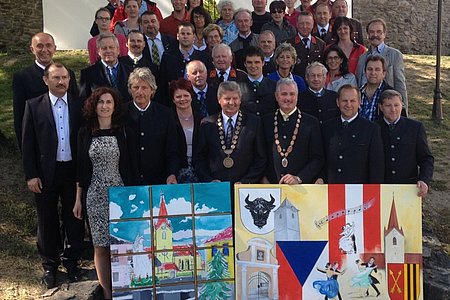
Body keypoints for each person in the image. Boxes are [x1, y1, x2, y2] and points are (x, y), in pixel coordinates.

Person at [22, 63, 84, 289]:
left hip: (72, 171)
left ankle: (72, 261)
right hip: (46, 173)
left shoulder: (79, 105)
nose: (61, 82)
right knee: (47, 219)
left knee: (74, 218)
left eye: (65, 77)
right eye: (56, 78)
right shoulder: (34, 106)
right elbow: (27, 143)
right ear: (45, 80)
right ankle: (50, 264)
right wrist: (31, 175)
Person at [73, 87, 137, 299]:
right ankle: (108, 292)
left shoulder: (123, 131)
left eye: (109, 102)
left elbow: (131, 165)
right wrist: (78, 200)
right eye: (101, 102)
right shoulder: (85, 132)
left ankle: (124, 291)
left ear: (115, 106)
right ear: (94, 105)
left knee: (121, 245)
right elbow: (81, 169)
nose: (105, 106)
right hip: (95, 195)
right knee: (100, 245)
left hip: (120, 195)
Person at [13, 32, 78, 148]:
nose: (44, 50)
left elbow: (76, 107)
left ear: (55, 48)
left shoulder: (68, 73)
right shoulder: (22, 77)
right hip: (39, 142)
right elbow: (19, 116)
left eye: (48, 45)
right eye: (39, 46)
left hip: (68, 143)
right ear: (32, 49)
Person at [195, 81, 267, 186]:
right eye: (227, 99)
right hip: (216, 187)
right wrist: (209, 180)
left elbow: (261, 158)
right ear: (219, 100)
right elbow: (199, 158)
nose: (231, 102)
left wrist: (246, 181)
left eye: (235, 98)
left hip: (244, 188)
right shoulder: (207, 123)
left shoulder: (254, 122)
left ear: (240, 99)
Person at [124, 67, 180, 185]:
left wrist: (172, 174)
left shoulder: (165, 114)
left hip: (158, 181)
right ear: (130, 90)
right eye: (135, 87)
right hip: (128, 182)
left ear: (152, 90)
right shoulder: (121, 113)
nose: (140, 92)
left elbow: (172, 149)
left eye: (144, 88)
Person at [262, 78, 323, 184]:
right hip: (271, 186)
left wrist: (299, 178)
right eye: (284, 94)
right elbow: (260, 155)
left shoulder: (311, 122)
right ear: (276, 96)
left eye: (292, 94)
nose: (288, 98)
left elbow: (317, 158)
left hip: (301, 188)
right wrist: (263, 178)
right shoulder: (265, 121)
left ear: (297, 96)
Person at [319, 84, 384, 184]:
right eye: (344, 101)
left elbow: (376, 166)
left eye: (352, 101)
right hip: (331, 189)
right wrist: (321, 177)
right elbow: (321, 158)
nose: (348, 104)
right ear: (337, 102)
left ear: (359, 102)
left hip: (359, 191)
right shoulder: (327, 127)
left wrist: (373, 192)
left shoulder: (371, 129)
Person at [377, 89, 434, 197]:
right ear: (381, 107)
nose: (393, 109)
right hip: (382, 188)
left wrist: (424, 180)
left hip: (409, 188)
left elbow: (426, 158)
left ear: (402, 105)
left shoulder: (415, 128)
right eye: (388, 105)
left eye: (396, 105)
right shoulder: (374, 128)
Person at [356, 18, 408, 115]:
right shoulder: (362, 58)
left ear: (384, 34)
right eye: (371, 32)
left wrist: (403, 110)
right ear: (367, 35)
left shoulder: (394, 55)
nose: (375, 35)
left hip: (386, 107)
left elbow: (400, 84)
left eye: (379, 32)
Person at [158, 22, 213, 106]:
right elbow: (162, 83)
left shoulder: (204, 57)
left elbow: (209, 81)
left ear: (193, 36)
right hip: (173, 104)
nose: (185, 36)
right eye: (182, 33)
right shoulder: (168, 57)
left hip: (199, 103)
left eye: (188, 34)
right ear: (177, 36)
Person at [80, 33, 133, 102]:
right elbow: (83, 100)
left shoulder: (131, 71)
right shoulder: (87, 74)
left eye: (111, 47)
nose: (108, 51)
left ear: (118, 50)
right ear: (98, 51)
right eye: (104, 48)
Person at [169, 78, 202, 183]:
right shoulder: (168, 120)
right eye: (178, 97)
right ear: (173, 99)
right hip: (177, 172)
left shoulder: (201, 119)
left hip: (199, 170)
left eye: (186, 95)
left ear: (191, 96)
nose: (182, 99)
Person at [237, 46, 277, 117]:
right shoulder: (238, 87)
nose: (253, 66)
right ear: (245, 64)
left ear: (263, 63)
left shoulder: (274, 86)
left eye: (257, 62)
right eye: (249, 62)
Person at [287, 11, 325, 78]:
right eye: (302, 23)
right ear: (297, 24)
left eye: (308, 23)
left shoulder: (321, 44)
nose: (305, 26)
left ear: (313, 24)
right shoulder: (289, 44)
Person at [359, 55, 394, 121]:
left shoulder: (391, 94)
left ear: (383, 73)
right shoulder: (357, 93)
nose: (373, 73)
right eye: (370, 69)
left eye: (377, 69)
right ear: (365, 72)